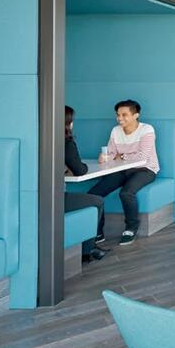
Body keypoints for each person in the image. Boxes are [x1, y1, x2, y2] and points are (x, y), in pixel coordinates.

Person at [88, 100, 159, 246]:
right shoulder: (116, 131)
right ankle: (97, 232)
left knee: (126, 193)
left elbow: (142, 157)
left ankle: (131, 228)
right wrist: (104, 157)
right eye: (118, 115)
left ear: (136, 115)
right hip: (121, 170)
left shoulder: (147, 130)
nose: (120, 118)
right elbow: (111, 153)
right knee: (94, 194)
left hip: (145, 169)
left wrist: (121, 156)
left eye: (124, 115)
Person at [64, 106, 108, 262]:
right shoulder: (66, 142)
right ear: (68, 123)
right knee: (97, 201)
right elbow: (80, 170)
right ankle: (88, 249)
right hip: (55, 199)